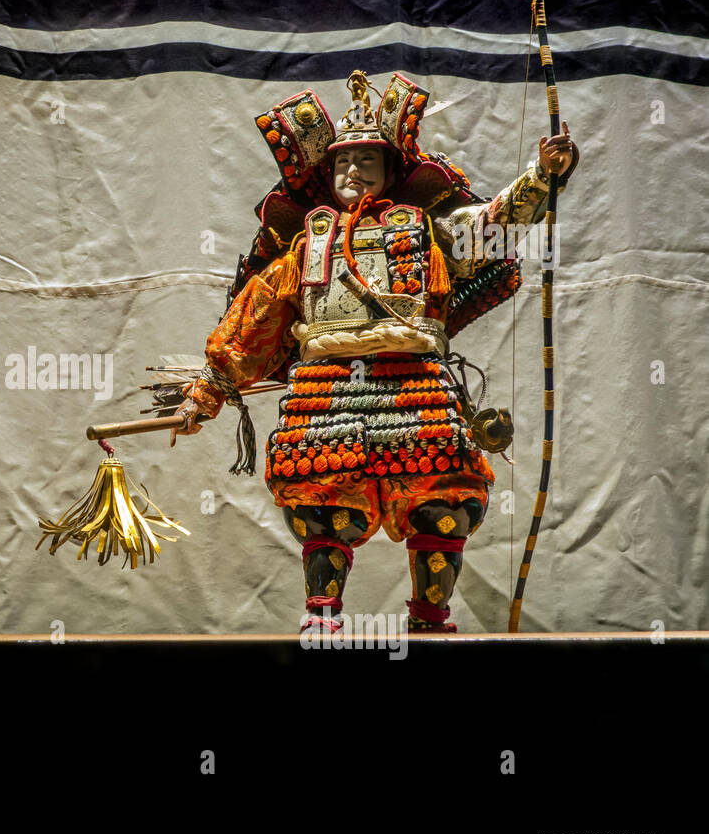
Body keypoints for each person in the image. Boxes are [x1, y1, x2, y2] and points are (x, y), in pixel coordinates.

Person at [172, 72, 577, 633]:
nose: (353, 172)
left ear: (391, 169)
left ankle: (431, 618)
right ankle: (323, 619)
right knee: (321, 506)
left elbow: (490, 228)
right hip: (326, 391)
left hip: (416, 382)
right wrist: (208, 391)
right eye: (342, 163)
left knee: (445, 500)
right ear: (327, 172)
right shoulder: (306, 244)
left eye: (366, 161)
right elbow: (255, 313)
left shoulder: (425, 232)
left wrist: (541, 175)